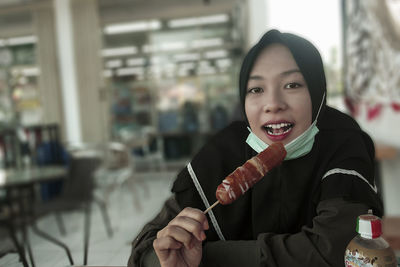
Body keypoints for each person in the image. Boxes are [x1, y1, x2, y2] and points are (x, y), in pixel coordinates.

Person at [127, 29, 383, 267]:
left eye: (292, 85)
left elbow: (334, 249)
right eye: (256, 89)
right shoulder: (224, 151)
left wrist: (206, 258)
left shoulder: (343, 143)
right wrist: (166, 255)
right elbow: (145, 248)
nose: (273, 104)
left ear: (317, 93)